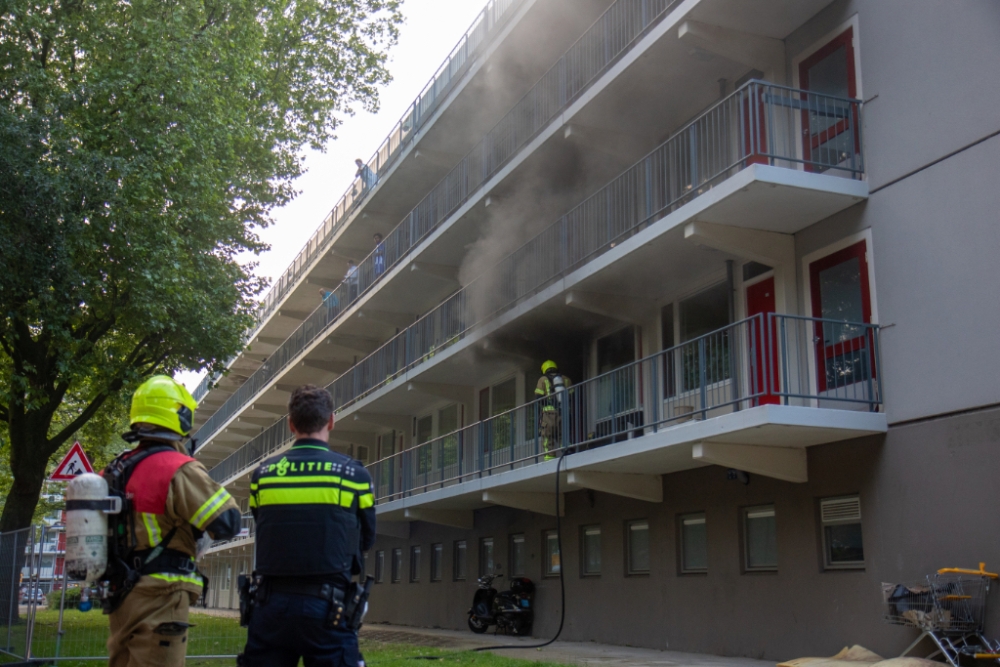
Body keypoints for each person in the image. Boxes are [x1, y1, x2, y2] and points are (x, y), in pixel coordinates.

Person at [105, 375, 241, 667]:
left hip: (122, 593)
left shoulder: (117, 467)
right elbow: (228, 522)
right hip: (161, 595)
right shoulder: (177, 468)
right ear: (179, 414)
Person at [241, 385, 376, 667]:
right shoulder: (353, 475)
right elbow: (367, 537)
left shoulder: (263, 475)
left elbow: (263, 522)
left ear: (291, 424)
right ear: (331, 421)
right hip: (329, 608)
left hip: (270, 606)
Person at [535, 361, 572, 460]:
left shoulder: (542, 379)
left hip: (548, 413)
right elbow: (571, 395)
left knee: (547, 435)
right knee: (562, 434)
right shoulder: (566, 379)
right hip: (563, 412)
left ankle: (549, 456)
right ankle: (567, 451)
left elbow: (538, 396)